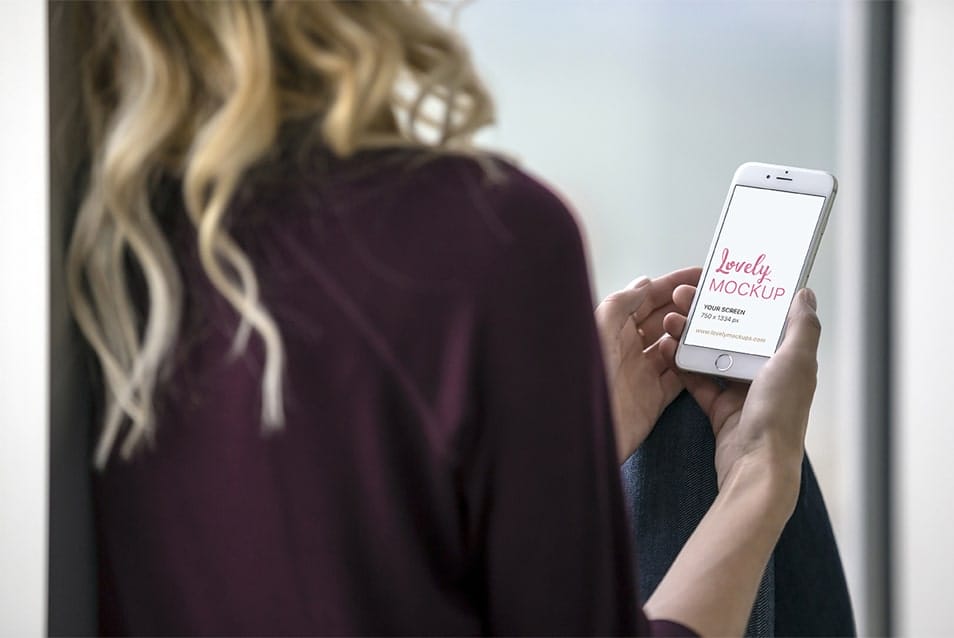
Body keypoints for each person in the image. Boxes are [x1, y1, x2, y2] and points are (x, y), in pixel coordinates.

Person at [63, 2, 834, 635]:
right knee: (699, 434)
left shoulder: (88, 251)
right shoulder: (488, 238)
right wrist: (761, 477)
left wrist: (558, 447)